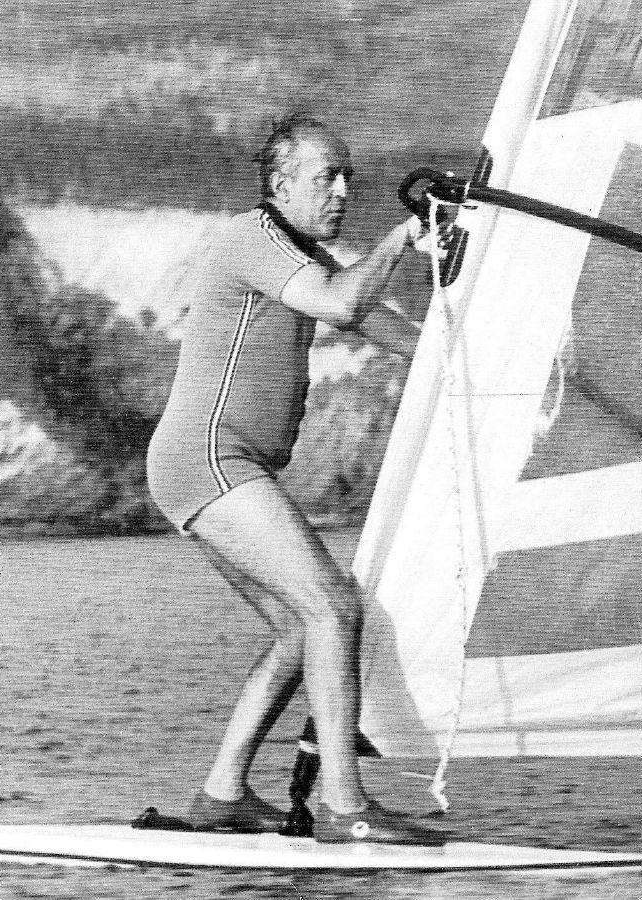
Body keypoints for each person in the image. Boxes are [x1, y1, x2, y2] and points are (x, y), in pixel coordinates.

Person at [144, 114, 444, 845]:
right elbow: (344, 304)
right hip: (210, 459)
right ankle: (345, 806)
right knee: (335, 610)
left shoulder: (298, 253)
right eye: (325, 177)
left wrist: (484, 351)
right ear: (281, 185)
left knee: (296, 629)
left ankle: (222, 796)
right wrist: (407, 236)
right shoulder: (255, 237)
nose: (342, 190)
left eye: (348, 177)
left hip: (202, 466)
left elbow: (395, 333)